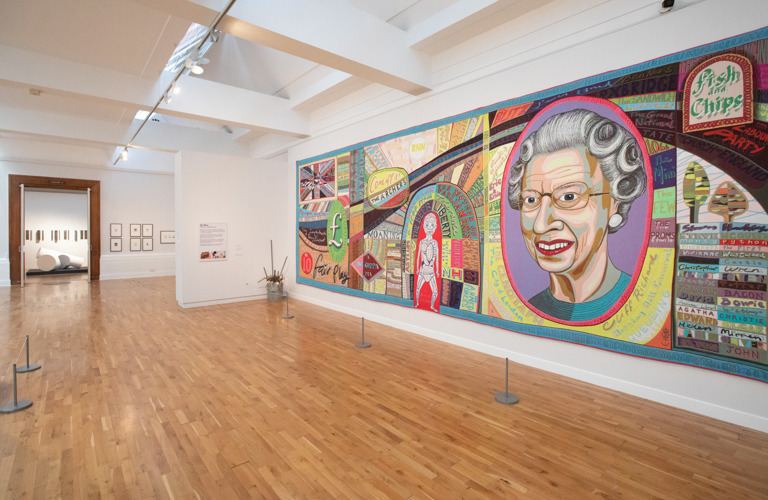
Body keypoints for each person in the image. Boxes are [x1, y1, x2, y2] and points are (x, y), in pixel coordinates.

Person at [506, 108, 646, 321]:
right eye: (531, 200)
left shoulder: (642, 304)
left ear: (615, 202)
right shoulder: (530, 309)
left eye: (569, 197)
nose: (541, 225)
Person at [415, 213, 440, 311]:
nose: (430, 228)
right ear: (424, 226)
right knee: (417, 289)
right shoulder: (422, 242)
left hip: (432, 272)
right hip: (422, 271)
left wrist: (437, 271)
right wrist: (417, 268)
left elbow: (437, 258)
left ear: (435, 227)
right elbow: (418, 257)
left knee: (435, 292)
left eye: (432, 225)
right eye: (427, 225)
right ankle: (417, 303)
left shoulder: (435, 242)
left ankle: (432, 306)